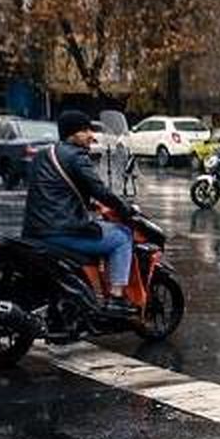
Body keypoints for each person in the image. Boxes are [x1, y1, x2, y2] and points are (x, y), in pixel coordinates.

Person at [22, 110, 136, 318]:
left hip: (34, 230)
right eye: (85, 130)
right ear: (72, 134)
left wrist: (91, 206)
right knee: (122, 236)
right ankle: (117, 298)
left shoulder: (44, 154)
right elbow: (99, 190)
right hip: (63, 231)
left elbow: (54, 191)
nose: (91, 135)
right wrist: (125, 210)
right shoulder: (76, 156)